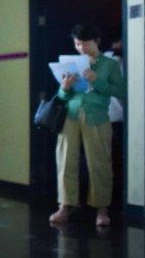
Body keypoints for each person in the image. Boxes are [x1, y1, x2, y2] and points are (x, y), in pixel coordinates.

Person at [50, 24, 126, 227]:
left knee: (99, 163)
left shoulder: (110, 64)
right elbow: (61, 96)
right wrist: (65, 88)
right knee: (65, 161)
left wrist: (97, 80)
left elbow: (120, 91)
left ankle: (102, 210)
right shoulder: (72, 62)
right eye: (77, 43)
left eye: (85, 43)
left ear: (97, 41)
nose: (81, 48)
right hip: (71, 115)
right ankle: (65, 206)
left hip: (97, 117)